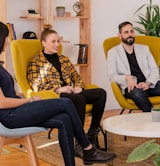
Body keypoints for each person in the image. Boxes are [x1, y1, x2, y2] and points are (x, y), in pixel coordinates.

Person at [0, 22, 116, 166]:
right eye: (5, 38)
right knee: (66, 102)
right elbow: (2, 103)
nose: (7, 42)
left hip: (16, 111)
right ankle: (88, 149)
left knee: (63, 119)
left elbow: (7, 95)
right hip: (10, 117)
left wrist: (21, 97)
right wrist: (28, 100)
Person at [27, 27, 106, 156]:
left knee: (100, 93)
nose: (57, 44)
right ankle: (79, 143)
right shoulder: (36, 62)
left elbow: (76, 76)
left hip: (71, 92)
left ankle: (92, 133)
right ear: (43, 43)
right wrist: (58, 89)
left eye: (58, 41)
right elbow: (36, 87)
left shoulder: (64, 59)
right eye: (53, 41)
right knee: (79, 99)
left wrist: (78, 87)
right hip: (55, 95)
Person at [107, 21, 160, 112]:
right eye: (126, 32)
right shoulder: (113, 53)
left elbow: (154, 69)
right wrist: (127, 77)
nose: (130, 34)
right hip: (132, 88)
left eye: (132, 31)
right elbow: (112, 76)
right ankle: (154, 118)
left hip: (149, 85)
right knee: (138, 94)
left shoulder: (144, 49)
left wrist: (148, 83)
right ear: (119, 35)